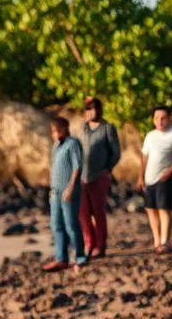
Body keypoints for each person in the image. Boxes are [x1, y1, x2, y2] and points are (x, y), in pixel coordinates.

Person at [138, 106, 172, 254]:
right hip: (148, 178)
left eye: (163, 117)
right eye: (157, 118)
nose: (160, 120)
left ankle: (166, 242)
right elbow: (144, 156)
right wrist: (140, 176)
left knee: (164, 209)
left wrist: (170, 172)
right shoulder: (150, 135)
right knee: (151, 209)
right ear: (153, 119)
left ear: (169, 118)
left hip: (165, 178)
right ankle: (157, 241)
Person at [78, 96, 121, 259]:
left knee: (98, 212)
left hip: (99, 177)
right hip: (82, 177)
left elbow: (116, 153)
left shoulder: (108, 128)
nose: (91, 112)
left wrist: (107, 169)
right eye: (88, 109)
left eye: (93, 108)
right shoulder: (83, 128)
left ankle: (100, 246)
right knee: (83, 213)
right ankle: (89, 243)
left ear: (100, 110)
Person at [43, 117, 88, 272]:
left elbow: (77, 167)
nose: (54, 134)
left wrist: (70, 187)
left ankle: (80, 257)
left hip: (69, 191)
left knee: (71, 225)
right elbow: (54, 168)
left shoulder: (73, 143)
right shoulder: (56, 146)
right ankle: (61, 258)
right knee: (56, 224)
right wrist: (51, 189)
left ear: (64, 129)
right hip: (55, 191)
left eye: (56, 131)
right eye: (53, 131)